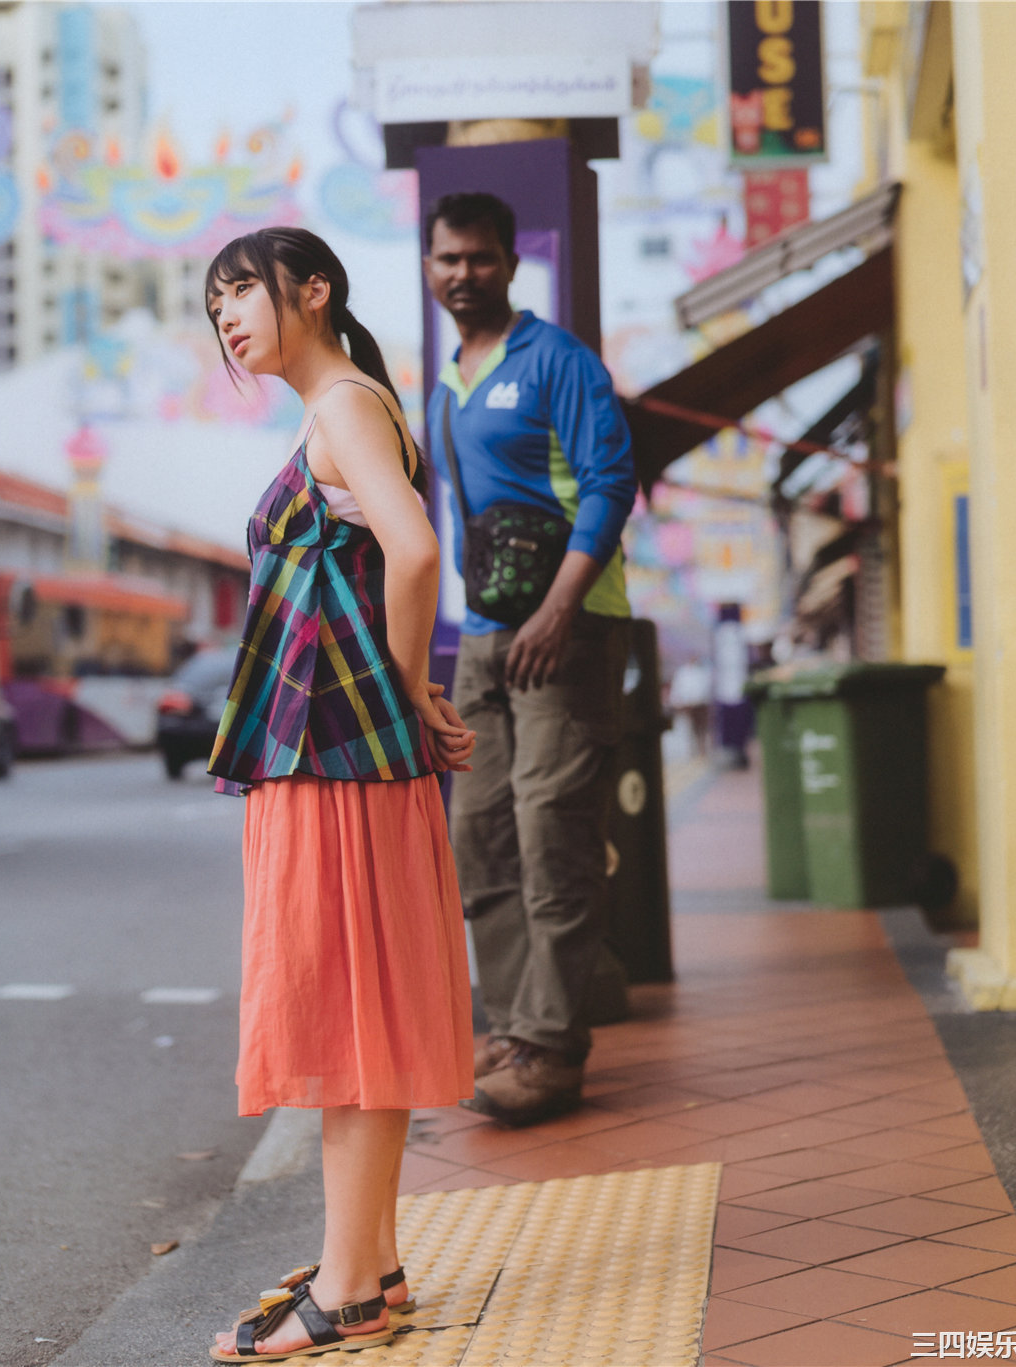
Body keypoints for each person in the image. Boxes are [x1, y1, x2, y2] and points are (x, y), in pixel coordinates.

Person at [204, 227, 476, 1362]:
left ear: (313, 291)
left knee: (348, 1021)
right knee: (354, 1015)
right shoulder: (348, 404)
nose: (225, 314)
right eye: (212, 300)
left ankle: (353, 1287)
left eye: (242, 291)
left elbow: (415, 553)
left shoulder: (346, 405)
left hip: (339, 760)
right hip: (338, 759)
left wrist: (407, 689)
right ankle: (367, 1261)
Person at [423, 192, 637, 1127]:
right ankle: (512, 1024)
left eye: (478, 258)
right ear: (431, 267)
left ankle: (551, 1047)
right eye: (446, 259)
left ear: (511, 262)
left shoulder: (558, 361)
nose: (461, 274)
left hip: (571, 626)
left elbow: (609, 480)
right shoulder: (447, 384)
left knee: (553, 825)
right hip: (483, 633)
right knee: (481, 833)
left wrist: (560, 608)